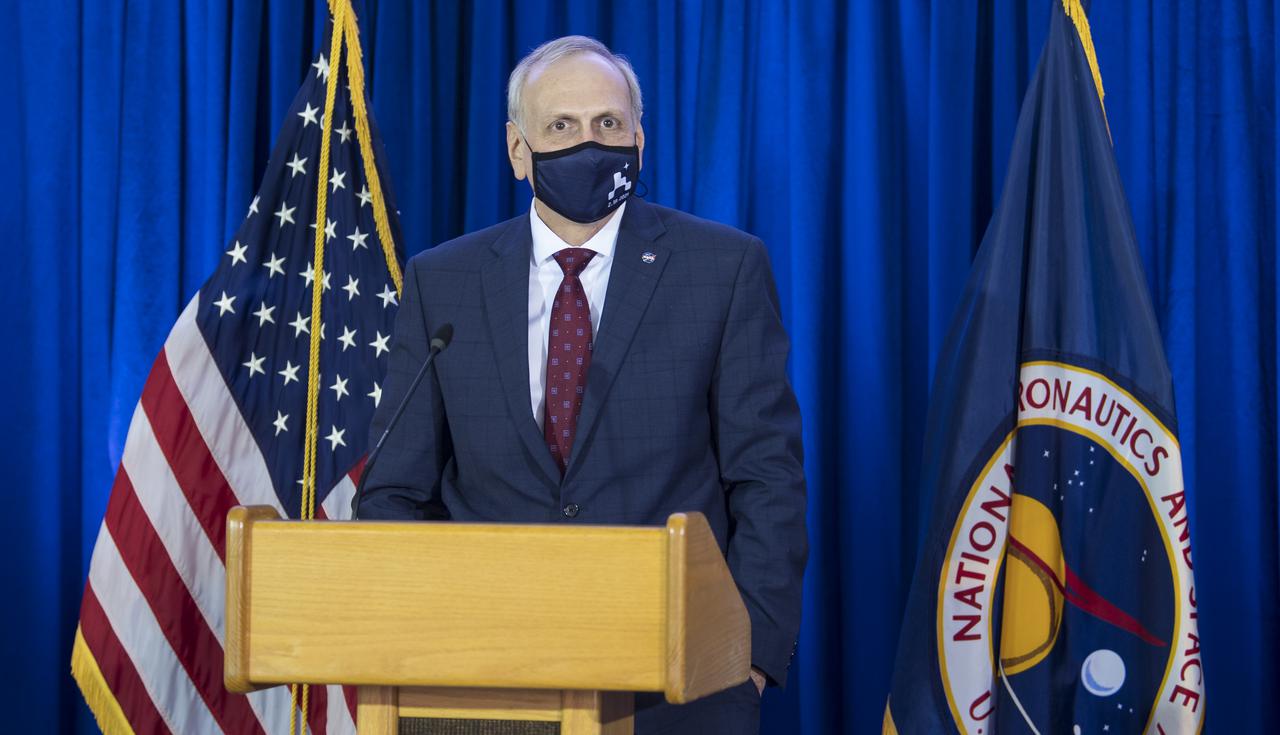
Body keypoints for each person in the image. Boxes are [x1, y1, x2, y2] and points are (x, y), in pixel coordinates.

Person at [357, 35, 807, 734]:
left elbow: (767, 477)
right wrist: (416, 639)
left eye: (608, 124)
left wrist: (746, 655)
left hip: (678, 680)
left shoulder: (723, 269)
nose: (588, 144)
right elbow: (394, 492)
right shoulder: (442, 281)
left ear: (639, 142)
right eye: (561, 126)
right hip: (480, 681)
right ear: (518, 150)